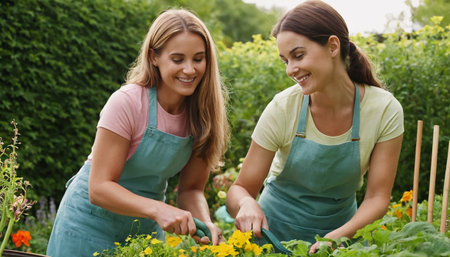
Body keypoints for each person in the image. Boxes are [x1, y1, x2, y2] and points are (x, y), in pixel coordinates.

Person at [46, 9, 229, 256]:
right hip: (87, 225)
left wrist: (204, 221)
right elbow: (99, 187)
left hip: (142, 231)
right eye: (177, 59)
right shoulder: (127, 103)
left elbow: (191, 190)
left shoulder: (203, 115)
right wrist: (159, 209)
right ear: (154, 57)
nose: (189, 70)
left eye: (198, 59)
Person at [226, 0, 403, 254]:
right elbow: (240, 188)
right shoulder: (284, 107)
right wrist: (246, 204)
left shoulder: (384, 109)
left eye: (298, 56)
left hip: (342, 242)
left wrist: (338, 237)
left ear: (333, 46)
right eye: (285, 60)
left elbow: (377, 197)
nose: (290, 69)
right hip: (272, 239)